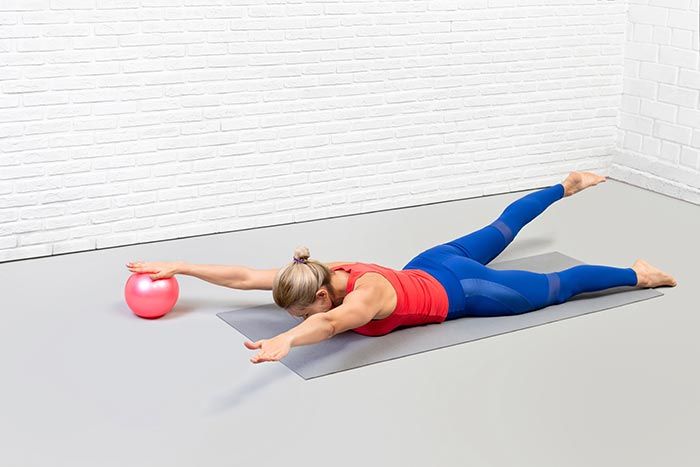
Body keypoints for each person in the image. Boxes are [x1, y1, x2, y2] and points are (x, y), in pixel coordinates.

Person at [126, 171, 677, 364]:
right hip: (431, 262)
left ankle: (640, 274)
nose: (297, 311)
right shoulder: (315, 271)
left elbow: (331, 326)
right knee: (501, 229)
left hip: (465, 289)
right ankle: (564, 185)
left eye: (298, 310)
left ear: (320, 297)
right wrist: (182, 265)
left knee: (556, 287)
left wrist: (287, 342)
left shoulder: (363, 298)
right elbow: (246, 277)